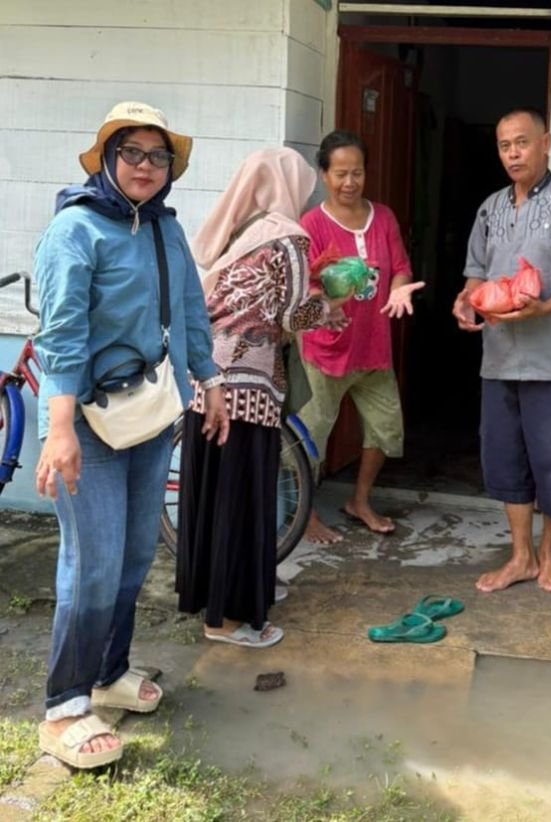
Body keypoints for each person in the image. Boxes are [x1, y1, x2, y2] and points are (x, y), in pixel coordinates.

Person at [33, 101, 228, 769]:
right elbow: (59, 335)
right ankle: (64, 706)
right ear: (108, 160)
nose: (145, 166)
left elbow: (192, 310)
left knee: (134, 557)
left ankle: (108, 670)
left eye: (157, 156)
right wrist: (57, 429)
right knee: (90, 565)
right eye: (132, 153)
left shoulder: (164, 230)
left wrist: (212, 382)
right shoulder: (75, 231)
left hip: (146, 414)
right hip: (82, 421)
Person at [176, 148, 350, 647]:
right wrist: (334, 304)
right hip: (248, 390)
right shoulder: (288, 237)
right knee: (241, 499)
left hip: (204, 384)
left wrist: (318, 310)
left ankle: (220, 594)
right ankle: (226, 620)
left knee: (213, 497)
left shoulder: (240, 235)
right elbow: (292, 316)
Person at [452, 108, 551, 595]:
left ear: (546, 142)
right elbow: (476, 270)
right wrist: (465, 300)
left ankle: (548, 553)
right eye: (504, 146)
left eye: (522, 142)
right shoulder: (489, 207)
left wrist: (547, 308)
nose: (513, 153)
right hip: (499, 360)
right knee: (504, 459)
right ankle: (519, 555)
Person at [298, 130, 424, 544]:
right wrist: (325, 302)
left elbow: (401, 266)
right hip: (325, 350)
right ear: (323, 175)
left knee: (386, 429)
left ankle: (360, 501)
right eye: (340, 174)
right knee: (311, 436)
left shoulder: (383, 217)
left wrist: (399, 288)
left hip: (373, 346)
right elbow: (305, 288)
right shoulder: (311, 225)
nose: (350, 182)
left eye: (357, 173)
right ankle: (306, 513)